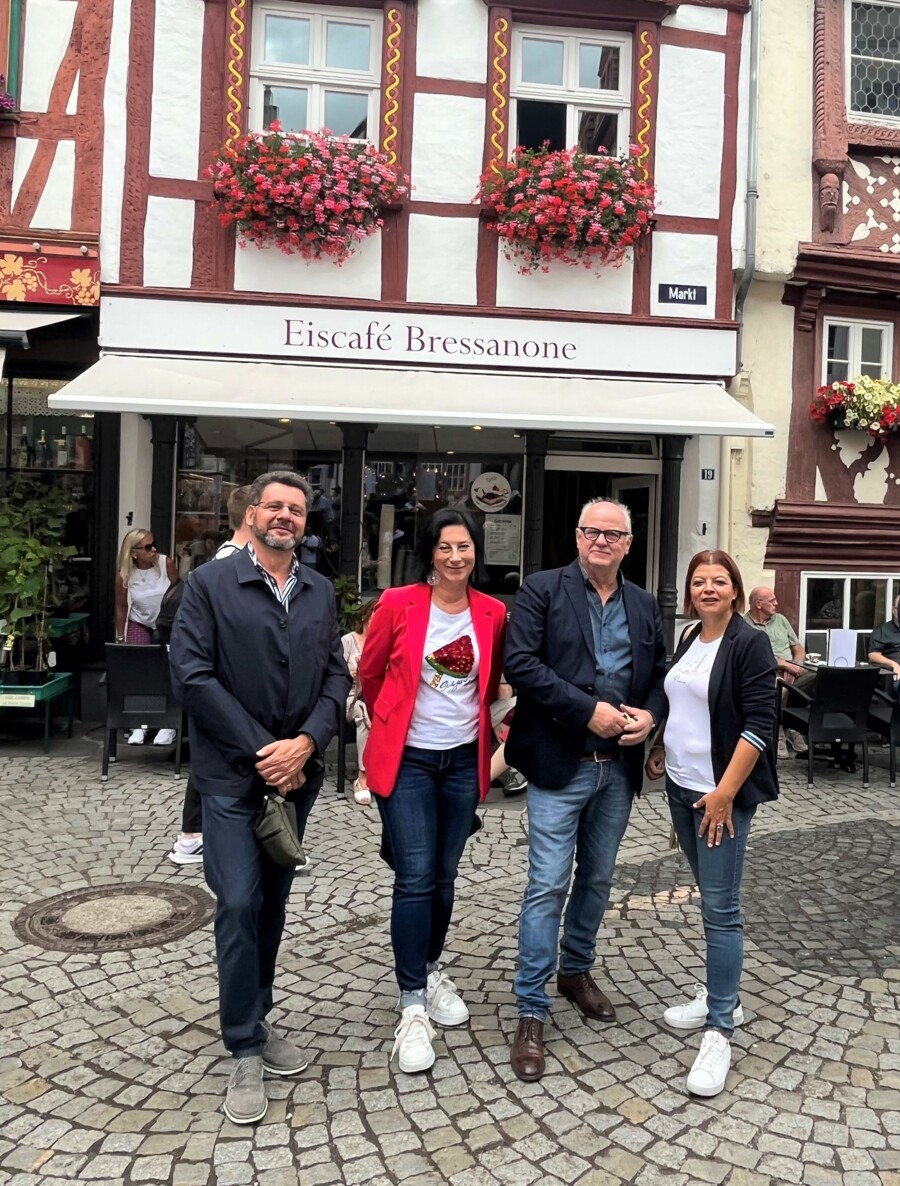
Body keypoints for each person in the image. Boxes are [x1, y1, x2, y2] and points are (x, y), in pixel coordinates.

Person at [169, 470, 350, 1125]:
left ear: (304, 521)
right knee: (239, 901)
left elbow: (336, 675)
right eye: (273, 506)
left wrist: (304, 743)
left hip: (295, 784)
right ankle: (244, 1045)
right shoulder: (210, 586)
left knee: (272, 904)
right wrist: (263, 750)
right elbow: (193, 677)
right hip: (229, 781)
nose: (284, 516)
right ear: (251, 514)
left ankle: (258, 1013)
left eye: (295, 509)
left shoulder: (319, 591)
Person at [503, 497, 666, 1083]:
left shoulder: (645, 605)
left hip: (616, 770)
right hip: (559, 764)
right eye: (592, 531)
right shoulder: (542, 590)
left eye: (613, 534)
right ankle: (529, 1009)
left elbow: (659, 677)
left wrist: (651, 718)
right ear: (576, 538)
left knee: (596, 879)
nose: (601, 541)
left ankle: (575, 971)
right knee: (547, 883)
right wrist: (586, 711)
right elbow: (520, 664)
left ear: (628, 544)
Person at [358, 509, 507, 1075]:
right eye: (445, 547)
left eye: (464, 547)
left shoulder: (493, 613)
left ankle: (432, 966)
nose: (455, 557)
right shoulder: (398, 603)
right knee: (415, 875)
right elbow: (371, 675)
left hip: (462, 763)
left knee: (445, 875)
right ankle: (412, 1002)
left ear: (475, 553)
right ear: (430, 553)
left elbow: (490, 686)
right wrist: (394, 719)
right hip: (409, 761)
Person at [645, 550, 778, 1098]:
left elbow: (760, 725)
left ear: (735, 590)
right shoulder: (690, 638)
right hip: (680, 788)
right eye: (699, 581)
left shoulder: (749, 644)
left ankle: (720, 1027)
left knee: (721, 909)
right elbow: (682, 705)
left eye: (718, 581)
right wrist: (659, 747)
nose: (707, 589)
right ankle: (723, 996)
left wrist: (724, 792)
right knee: (708, 895)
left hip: (717, 796)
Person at [165, 486, 254, 866]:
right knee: (214, 756)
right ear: (252, 514)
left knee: (212, 754)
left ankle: (193, 834)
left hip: (220, 680)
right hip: (222, 681)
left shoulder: (229, 559)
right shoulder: (227, 567)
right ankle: (194, 835)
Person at [114, 527, 179, 745]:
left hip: (166, 624)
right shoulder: (124, 574)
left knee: (169, 671)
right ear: (134, 552)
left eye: (153, 544)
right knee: (138, 671)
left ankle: (168, 725)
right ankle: (139, 725)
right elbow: (121, 607)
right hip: (140, 621)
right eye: (148, 547)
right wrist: (120, 638)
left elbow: (178, 595)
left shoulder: (165, 563)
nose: (154, 550)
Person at [743, 586, 810, 756]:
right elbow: (751, 657)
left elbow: (798, 648)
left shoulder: (780, 619)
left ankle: (799, 727)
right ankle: (779, 732)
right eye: (772, 601)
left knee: (819, 678)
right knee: (780, 687)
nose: (777, 603)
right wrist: (781, 664)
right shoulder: (745, 625)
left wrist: (796, 665)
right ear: (758, 604)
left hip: (793, 670)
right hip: (765, 672)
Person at [342, 597, 380, 807]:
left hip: (376, 694)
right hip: (353, 694)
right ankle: (363, 777)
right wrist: (353, 672)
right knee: (363, 713)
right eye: (376, 616)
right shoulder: (349, 640)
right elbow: (335, 673)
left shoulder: (385, 642)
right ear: (365, 616)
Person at [868, 594, 900, 687]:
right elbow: (873, 655)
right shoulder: (883, 630)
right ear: (894, 610)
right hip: (895, 674)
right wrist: (893, 664)